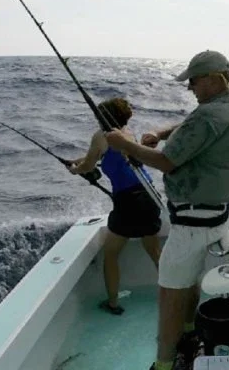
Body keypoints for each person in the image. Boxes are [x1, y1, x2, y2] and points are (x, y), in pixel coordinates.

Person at [103, 50, 229, 370]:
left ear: (213, 78)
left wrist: (124, 145)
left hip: (192, 223)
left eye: (193, 81)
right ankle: (189, 332)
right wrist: (160, 133)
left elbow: (166, 162)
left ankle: (164, 364)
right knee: (190, 278)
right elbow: (191, 126)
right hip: (216, 216)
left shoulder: (209, 115)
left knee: (170, 293)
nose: (190, 87)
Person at [68, 97, 162, 315]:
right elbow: (102, 155)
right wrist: (80, 159)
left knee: (110, 254)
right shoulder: (126, 134)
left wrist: (75, 169)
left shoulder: (100, 136)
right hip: (148, 195)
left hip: (128, 203)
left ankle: (112, 303)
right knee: (155, 252)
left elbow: (89, 165)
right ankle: (173, 296)